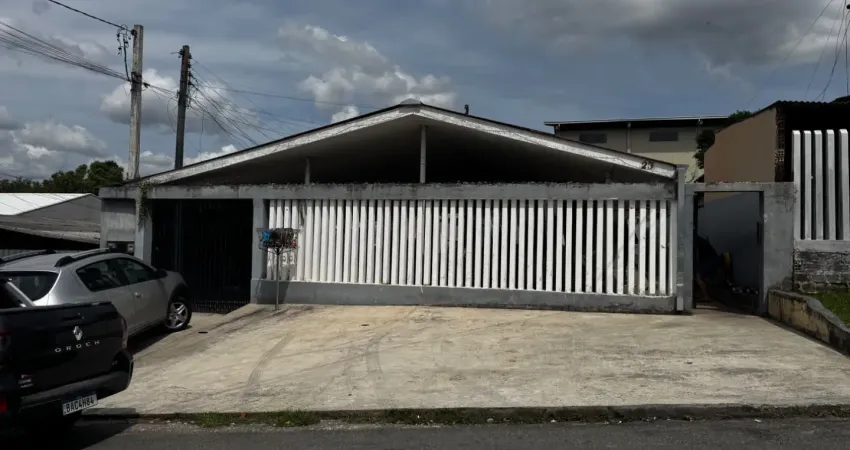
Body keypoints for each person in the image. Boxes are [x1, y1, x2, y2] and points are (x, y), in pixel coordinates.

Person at [694, 235, 730, 303]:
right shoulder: (696, 239)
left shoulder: (694, 240)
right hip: (713, 260)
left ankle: (706, 296)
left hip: (713, 261)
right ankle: (705, 295)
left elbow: (696, 255)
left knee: (697, 275)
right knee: (697, 274)